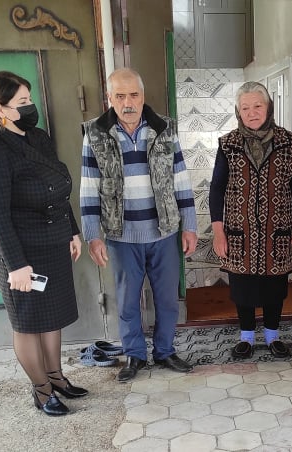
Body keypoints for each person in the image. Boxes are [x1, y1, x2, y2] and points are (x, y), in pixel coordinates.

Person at [0, 71, 85, 416]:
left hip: (53, 242)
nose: (30, 106)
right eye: (22, 102)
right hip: (21, 251)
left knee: (51, 316)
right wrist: (16, 265)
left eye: (29, 99)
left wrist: (72, 231)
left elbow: (59, 188)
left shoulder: (38, 137)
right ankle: (41, 390)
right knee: (28, 322)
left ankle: (56, 378)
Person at [80, 68, 198, 382]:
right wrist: (93, 235)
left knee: (167, 300)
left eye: (134, 95)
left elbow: (181, 179)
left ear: (143, 96)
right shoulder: (95, 133)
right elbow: (89, 187)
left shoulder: (164, 129)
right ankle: (134, 355)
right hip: (121, 236)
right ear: (110, 98)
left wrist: (189, 225)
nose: (128, 102)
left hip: (164, 232)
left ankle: (165, 351)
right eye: (120, 96)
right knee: (128, 301)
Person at [209, 81, 292, 360]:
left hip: (276, 230)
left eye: (257, 106)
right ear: (238, 112)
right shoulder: (228, 144)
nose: (252, 113)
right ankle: (246, 337)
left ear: (269, 108)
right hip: (238, 230)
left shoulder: (290, 143)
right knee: (242, 286)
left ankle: (273, 336)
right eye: (245, 108)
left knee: (275, 286)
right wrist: (218, 231)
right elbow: (217, 188)